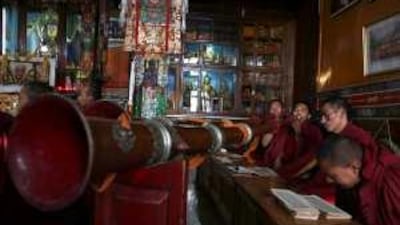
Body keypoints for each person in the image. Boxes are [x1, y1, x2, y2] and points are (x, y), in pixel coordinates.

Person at [318, 135, 400, 225]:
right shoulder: (348, 185)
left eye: (333, 176)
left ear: (354, 167)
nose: (328, 180)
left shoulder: (390, 180)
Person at [243, 99, 286, 163]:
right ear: (268, 110)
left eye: (278, 107)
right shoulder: (265, 122)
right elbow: (264, 143)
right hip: (264, 153)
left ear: (282, 109)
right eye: (272, 108)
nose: (275, 110)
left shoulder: (286, 123)